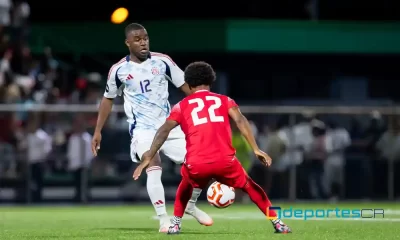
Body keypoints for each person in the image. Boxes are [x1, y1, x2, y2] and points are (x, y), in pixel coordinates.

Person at [133, 61, 292, 234]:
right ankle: (278, 223)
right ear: (211, 81)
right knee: (250, 186)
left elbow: (163, 131)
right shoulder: (225, 100)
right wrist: (255, 148)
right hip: (225, 161)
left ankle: (175, 224)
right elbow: (240, 120)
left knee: (185, 185)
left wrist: (149, 155)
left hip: (197, 162)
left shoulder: (181, 106)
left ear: (189, 83)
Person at [91, 23, 212, 232]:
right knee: (152, 161)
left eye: (145, 38)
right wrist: (98, 130)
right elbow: (108, 99)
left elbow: (187, 89)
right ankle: (164, 218)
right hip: (143, 131)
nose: (143, 42)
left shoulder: (162, 61)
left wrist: (206, 111)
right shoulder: (119, 70)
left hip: (170, 127)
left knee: (201, 164)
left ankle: (190, 206)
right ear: (127, 43)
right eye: (137, 39)